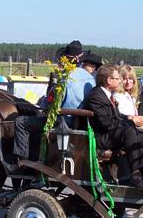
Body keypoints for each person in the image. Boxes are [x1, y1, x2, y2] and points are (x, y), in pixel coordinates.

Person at [11, 41, 100, 170]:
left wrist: (42, 102)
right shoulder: (90, 78)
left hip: (63, 124)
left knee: (20, 122)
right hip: (81, 123)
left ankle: (22, 163)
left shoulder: (65, 77)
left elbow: (51, 103)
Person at [84, 64, 143, 190]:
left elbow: (116, 116)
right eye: (118, 78)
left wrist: (130, 118)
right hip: (103, 138)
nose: (120, 81)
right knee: (129, 131)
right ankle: (135, 174)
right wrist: (131, 123)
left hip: (112, 133)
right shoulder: (96, 96)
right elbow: (106, 123)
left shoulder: (107, 94)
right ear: (109, 80)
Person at [114, 64, 143, 135]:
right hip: (126, 132)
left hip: (132, 129)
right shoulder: (118, 96)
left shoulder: (130, 95)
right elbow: (124, 120)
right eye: (125, 79)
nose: (128, 82)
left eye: (130, 79)